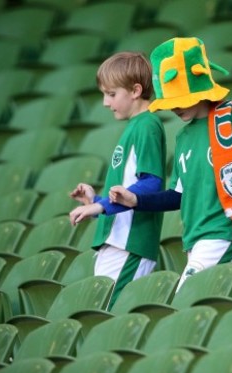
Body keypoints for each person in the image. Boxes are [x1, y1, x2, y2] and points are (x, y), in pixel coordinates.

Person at [109, 37, 232, 290]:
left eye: (180, 98)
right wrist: (136, 201)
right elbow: (178, 195)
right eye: (170, 102)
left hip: (225, 233)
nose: (175, 108)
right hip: (194, 240)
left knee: (185, 299)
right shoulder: (183, 136)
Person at [68, 51, 166, 309]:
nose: (105, 102)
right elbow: (128, 193)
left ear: (135, 90)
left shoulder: (147, 125)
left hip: (130, 244)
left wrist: (100, 207)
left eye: (111, 94)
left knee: (107, 318)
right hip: (117, 243)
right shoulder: (135, 126)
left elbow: (150, 184)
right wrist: (96, 201)